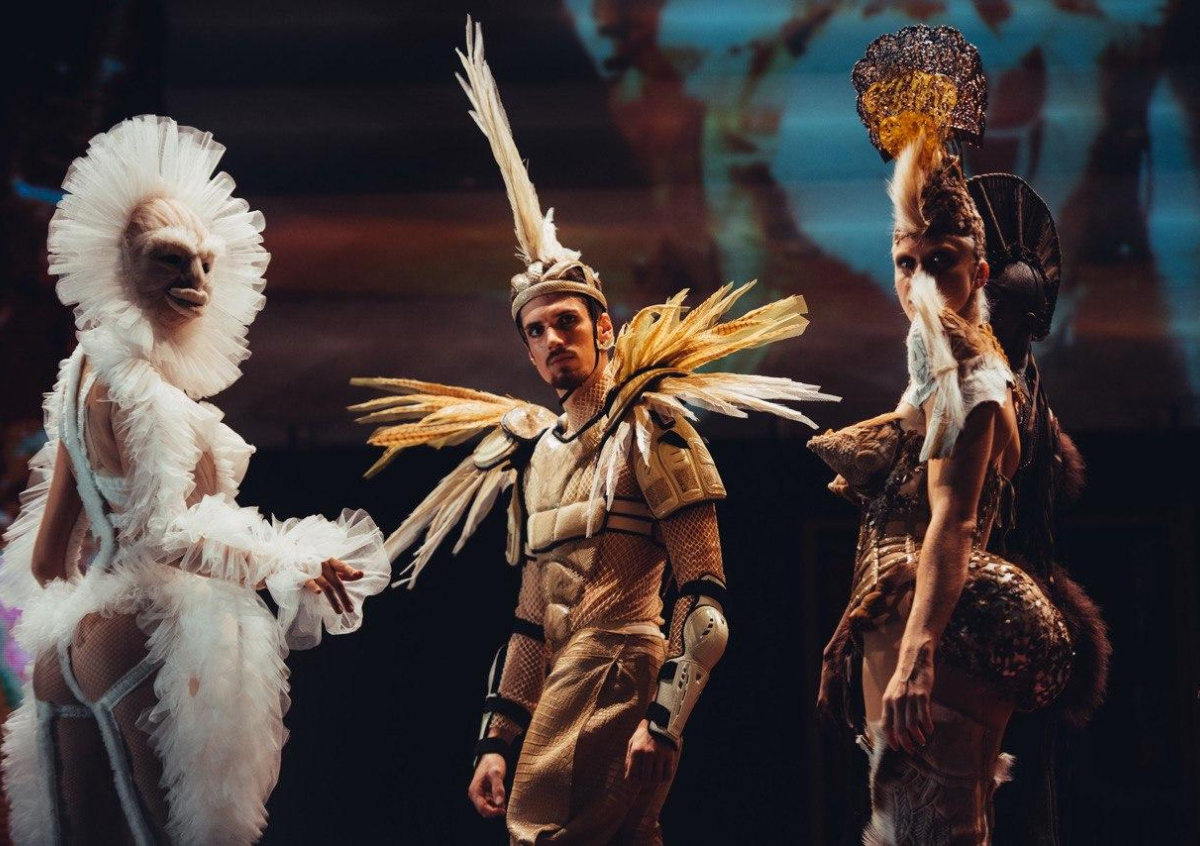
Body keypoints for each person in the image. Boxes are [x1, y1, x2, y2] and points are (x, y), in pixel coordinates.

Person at [353, 19, 836, 844]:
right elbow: (530, 613)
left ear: (604, 327)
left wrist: (665, 717)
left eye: (567, 322)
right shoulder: (535, 454)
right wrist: (497, 736)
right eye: (535, 330)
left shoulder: (651, 427)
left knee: (540, 830)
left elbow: (704, 596)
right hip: (563, 676)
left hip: (622, 667)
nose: (551, 340)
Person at [0, 115, 391, 845]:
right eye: (170, 261)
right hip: (139, 638)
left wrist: (80, 628)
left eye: (206, 264)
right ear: (120, 265)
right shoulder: (143, 389)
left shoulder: (84, 372)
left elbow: (49, 556)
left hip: (66, 650)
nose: (196, 283)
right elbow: (163, 535)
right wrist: (287, 562)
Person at [810, 26, 1106, 844]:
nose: (919, 283)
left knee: (926, 829)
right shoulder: (944, 367)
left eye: (940, 260)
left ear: (979, 273)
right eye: (906, 262)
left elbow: (954, 521)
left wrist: (916, 653)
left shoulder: (968, 376)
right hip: (922, 610)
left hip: (942, 621)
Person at [968, 173, 1109, 846]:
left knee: (999, 798)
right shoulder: (1003, 385)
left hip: (994, 618)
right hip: (999, 610)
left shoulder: (1006, 394)